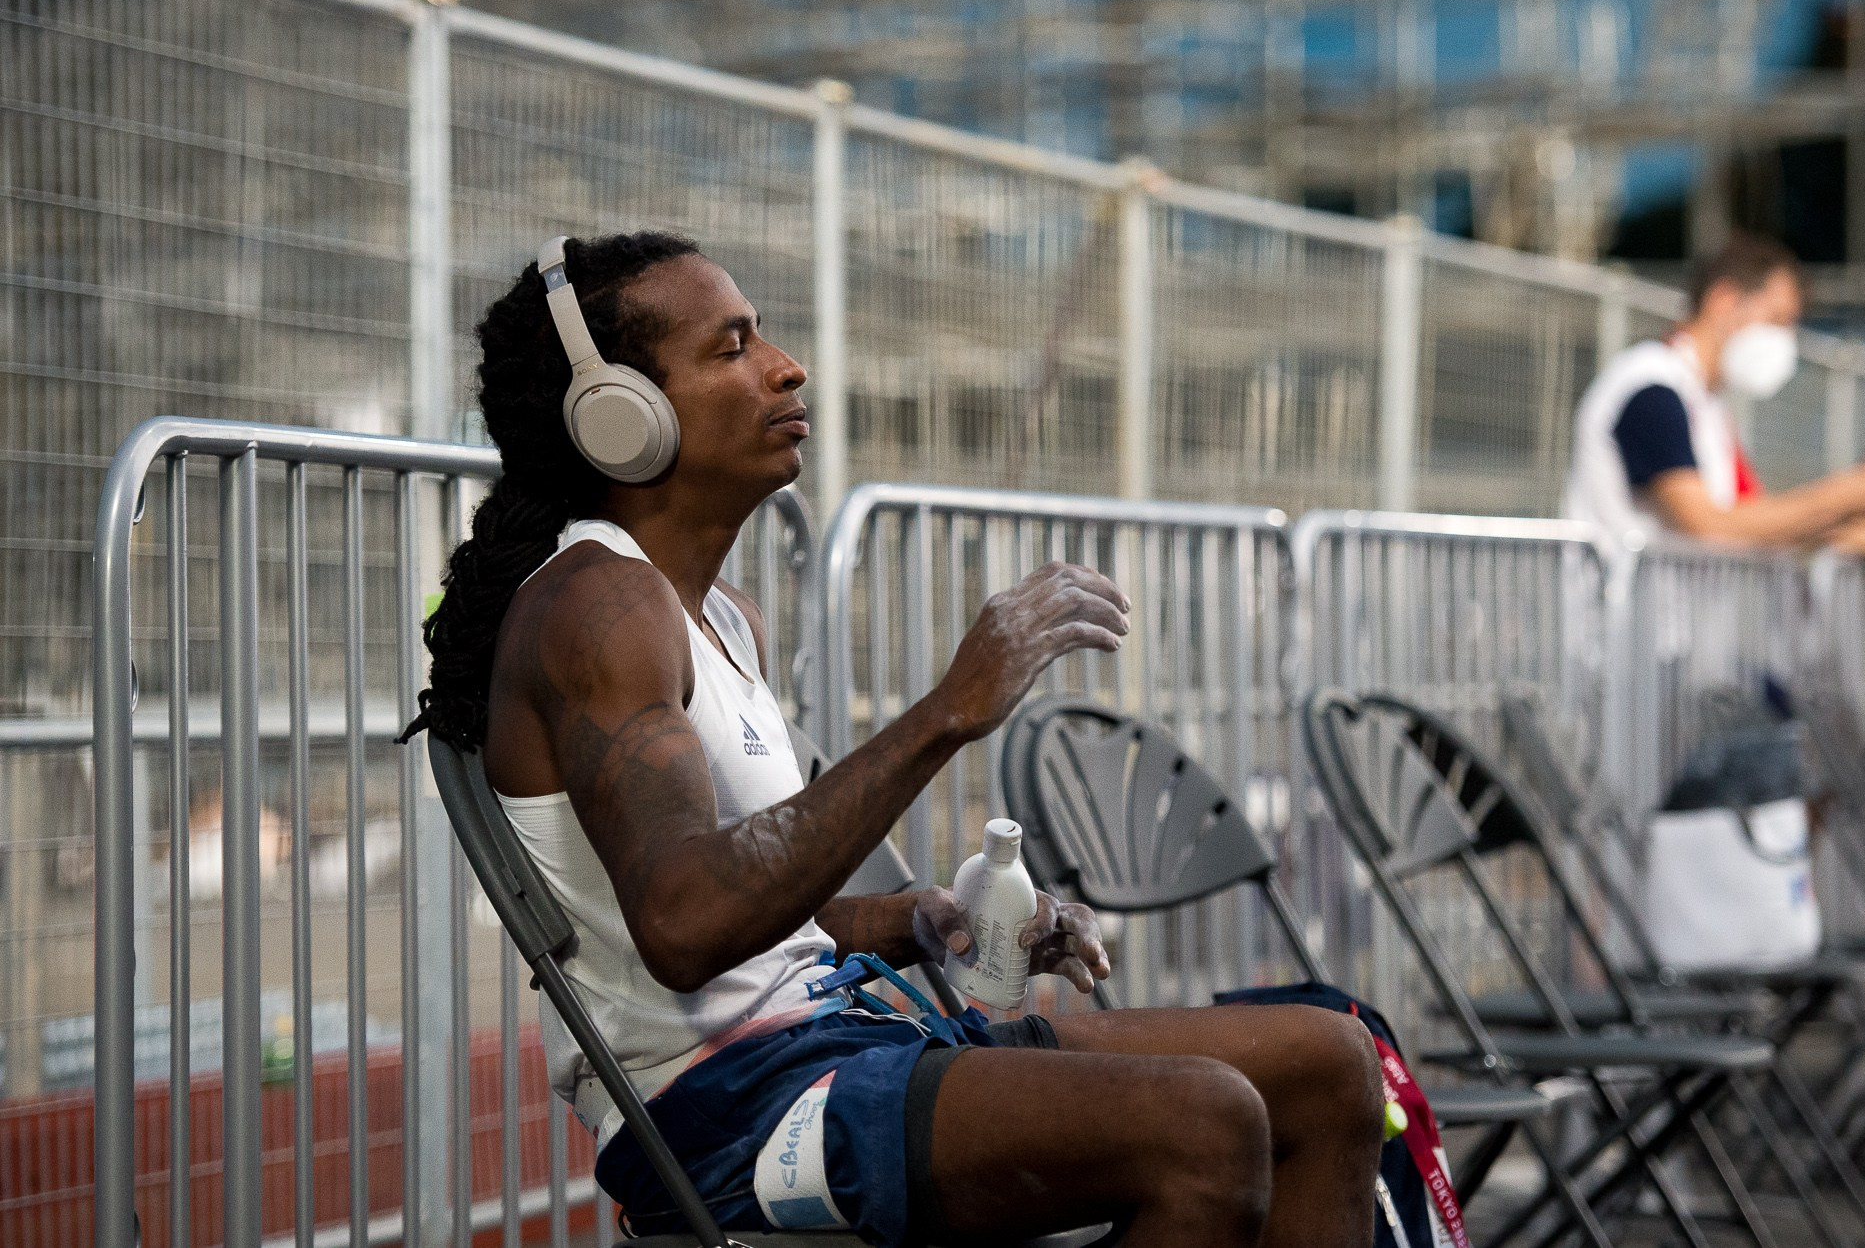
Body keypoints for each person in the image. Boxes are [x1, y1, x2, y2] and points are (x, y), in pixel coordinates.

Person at [406, 232, 1384, 1248]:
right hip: (721, 1108)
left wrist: (917, 913)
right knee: (1204, 1123)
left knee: (1328, 1065)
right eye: (730, 345)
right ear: (620, 418)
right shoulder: (594, 606)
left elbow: (762, 916)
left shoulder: (721, 616)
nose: (785, 365)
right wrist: (950, 707)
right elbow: (686, 924)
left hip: (837, 1044)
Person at [1565, 231, 1865, 546]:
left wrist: (1862, 512)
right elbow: (1707, 524)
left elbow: (1755, 519)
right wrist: (1835, 498)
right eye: (1777, 320)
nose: (1785, 341)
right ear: (1724, 300)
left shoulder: (1705, 403)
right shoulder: (1652, 388)